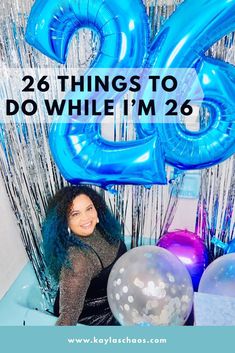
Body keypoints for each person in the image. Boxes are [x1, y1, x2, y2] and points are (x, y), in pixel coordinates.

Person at [42, 185, 127, 326]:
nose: (86, 217)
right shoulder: (78, 259)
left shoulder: (103, 229)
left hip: (112, 298)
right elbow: (68, 316)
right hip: (93, 315)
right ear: (65, 222)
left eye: (89, 208)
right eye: (75, 214)